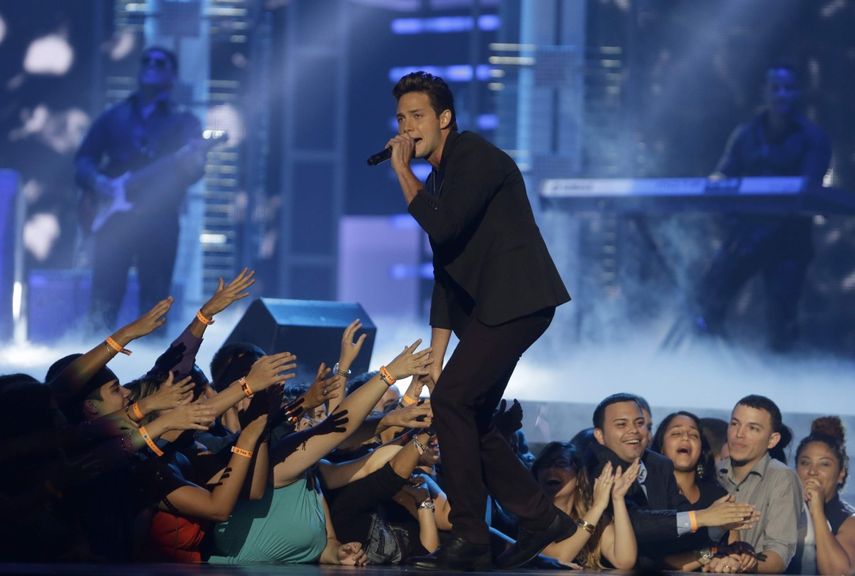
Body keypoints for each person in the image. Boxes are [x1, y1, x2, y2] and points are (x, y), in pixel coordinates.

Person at [385, 71, 572, 570]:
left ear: (444, 118)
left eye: (417, 117)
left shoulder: (475, 158)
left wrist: (401, 172)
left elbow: (442, 224)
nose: (407, 128)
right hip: (494, 310)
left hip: (517, 301)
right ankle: (539, 518)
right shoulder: (441, 177)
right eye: (401, 118)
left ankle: (471, 537)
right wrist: (435, 358)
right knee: (467, 413)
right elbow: (445, 274)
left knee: (451, 402)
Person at [695, 63, 832, 351]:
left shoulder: (813, 138)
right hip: (745, 237)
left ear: (798, 93)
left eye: (788, 88)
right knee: (709, 296)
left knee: (780, 313)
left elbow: (808, 190)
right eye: (775, 88)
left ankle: (781, 374)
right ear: (764, 92)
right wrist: (714, 184)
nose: (782, 95)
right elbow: (723, 175)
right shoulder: (745, 134)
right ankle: (712, 362)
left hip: (788, 240)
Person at [75, 46, 206, 331]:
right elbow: (84, 158)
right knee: (105, 293)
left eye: (160, 62)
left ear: (172, 75)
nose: (151, 65)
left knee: (155, 296)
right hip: (114, 217)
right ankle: (91, 360)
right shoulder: (115, 116)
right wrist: (97, 181)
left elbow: (194, 172)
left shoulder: (184, 121)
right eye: (146, 60)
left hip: (159, 218)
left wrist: (192, 161)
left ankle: (154, 370)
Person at [711, 394, 804, 573]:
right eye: (735, 424)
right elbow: (700, 551)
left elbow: (779, 553)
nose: (739, 434)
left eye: (753, 428)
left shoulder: (782, 478)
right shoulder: (712, 474)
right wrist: (707, 560)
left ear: (772, 440)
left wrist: (745, 566)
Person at [533, 441, 639, 569]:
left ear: (578, 476)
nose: (551, 470)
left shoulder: (593, 518)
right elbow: (558, 559)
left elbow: (624, 561)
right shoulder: (532, 517)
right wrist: (598, 506)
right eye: (544, 465)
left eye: (561, 464)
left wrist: (618, 498)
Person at [791, 416, 855, 575]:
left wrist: (817, 512)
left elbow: (839, 572)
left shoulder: (849, 520)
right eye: (805, 462)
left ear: (841, 474)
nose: (812, 471)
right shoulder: (782, 508)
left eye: (824, 464)